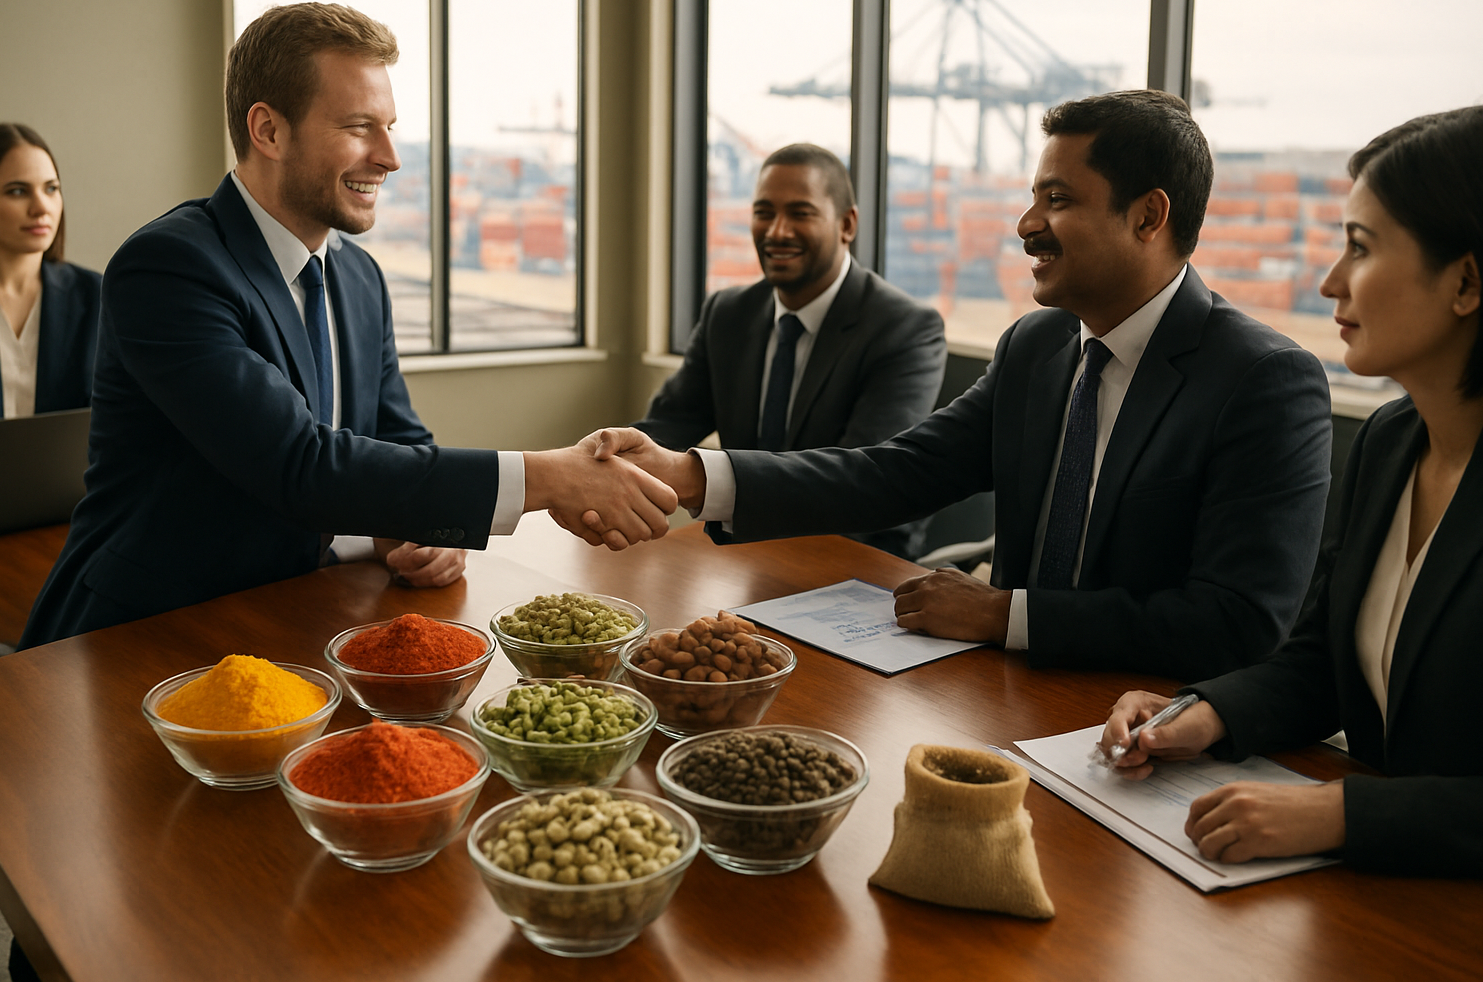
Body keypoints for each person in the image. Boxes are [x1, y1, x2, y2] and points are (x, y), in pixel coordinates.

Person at [577, 90, 1333, 682]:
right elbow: (896, 471)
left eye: (1058, 200)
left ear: (1149, 216)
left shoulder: (1263, 381)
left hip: (1150, 723)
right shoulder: (1037, 347)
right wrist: (690, 473)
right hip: (1000, 696)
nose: (1025, 223)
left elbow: (1237, 622)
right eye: (1035, 196)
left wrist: (1007, 615)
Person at [18, 1, 673, 652]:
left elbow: (397, 438)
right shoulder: (169, 267)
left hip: (302, 616)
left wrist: (418, 530)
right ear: (269, 131)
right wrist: (551, 476)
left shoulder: (359, 277)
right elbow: (299, 466)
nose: (389, 157)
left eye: (389, 127)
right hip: (151, 633)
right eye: (361, 127)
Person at [1100, 106, 1483, 878]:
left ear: (1467, 280)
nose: (1329, 279)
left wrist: (1340, 813)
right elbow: (1322, 665)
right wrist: (1202, 714)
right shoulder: (1389, 440)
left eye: (1361, 247)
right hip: (1378, 901)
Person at [632, 143, 945, 557]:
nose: (777, 231)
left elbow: (863, 484)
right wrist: (608, 471)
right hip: (744, 548)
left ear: (847, 224)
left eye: (800, 213)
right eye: (764, 212)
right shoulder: (728, 313)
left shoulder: (905, 329)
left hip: (855, 560)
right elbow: (668, 426)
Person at [0, 123, 100, 498]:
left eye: (51, 189)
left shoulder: (94, 295)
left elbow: (119, 428)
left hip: (66, 514)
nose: (41, 207)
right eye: (18, 191)